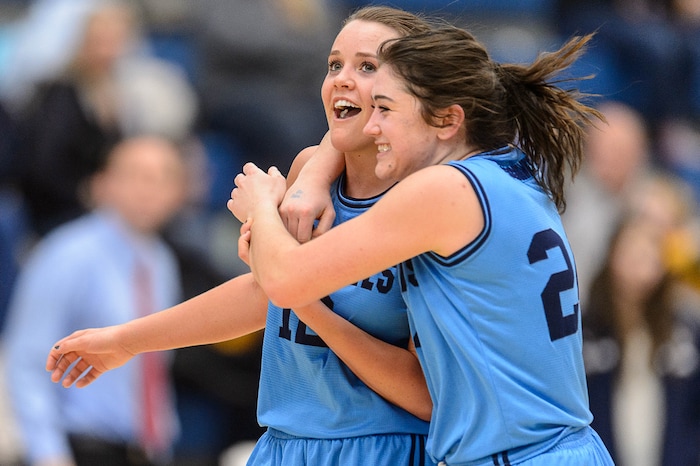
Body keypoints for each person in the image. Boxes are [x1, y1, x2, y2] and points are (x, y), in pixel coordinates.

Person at [45, 6, 438, 466]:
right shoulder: (310, 175)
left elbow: (424, 393)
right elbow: (262, 295)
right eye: (335, 64)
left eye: (367, 66)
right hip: (282, 444)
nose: (342, 79)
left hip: (383, 448)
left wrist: (297, 291)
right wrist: (125, 341)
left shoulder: (428, 194)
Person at [225, 26, 614, 465]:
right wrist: (318, 170)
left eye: (385, 110)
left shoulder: (443, 190)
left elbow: (284, 279)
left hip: (519, 454)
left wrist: (260, 206)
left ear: (448, 120)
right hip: (562, 447)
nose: (372, 127)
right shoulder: (505, 168)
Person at [3, 136, 187, 466]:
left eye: (163, 177)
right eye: (136, 174)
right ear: (103, 183)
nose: (149, 188)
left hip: (144, 451)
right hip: (80, 447)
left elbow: (156, 368)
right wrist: (48, 455)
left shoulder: (161, 263)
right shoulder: (66, 253)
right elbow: (28, 360)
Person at [583, 213, 700, 466]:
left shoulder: (684, 329)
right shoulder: (587, 330)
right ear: (612, 254)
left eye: (650, 255)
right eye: (633, 253)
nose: (641, 265)